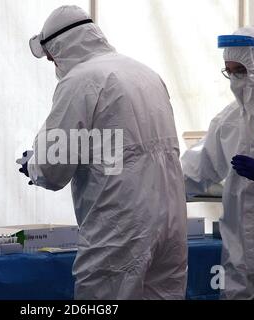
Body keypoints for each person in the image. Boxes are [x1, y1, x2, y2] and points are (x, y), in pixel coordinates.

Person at [19, 5, 187, 300]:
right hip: (170, 222)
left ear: (60, 46)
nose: (53, 64)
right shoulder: (146, 74)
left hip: (119, 228)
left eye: (51, 57)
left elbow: (53, 167)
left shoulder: (81, 81)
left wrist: (33, 165)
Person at [182, 26, 254, 300]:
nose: (234, 79)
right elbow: (197, 169)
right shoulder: (228, 119)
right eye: (229, 71)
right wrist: (152, 188)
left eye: (240, 70)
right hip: (239, 252)